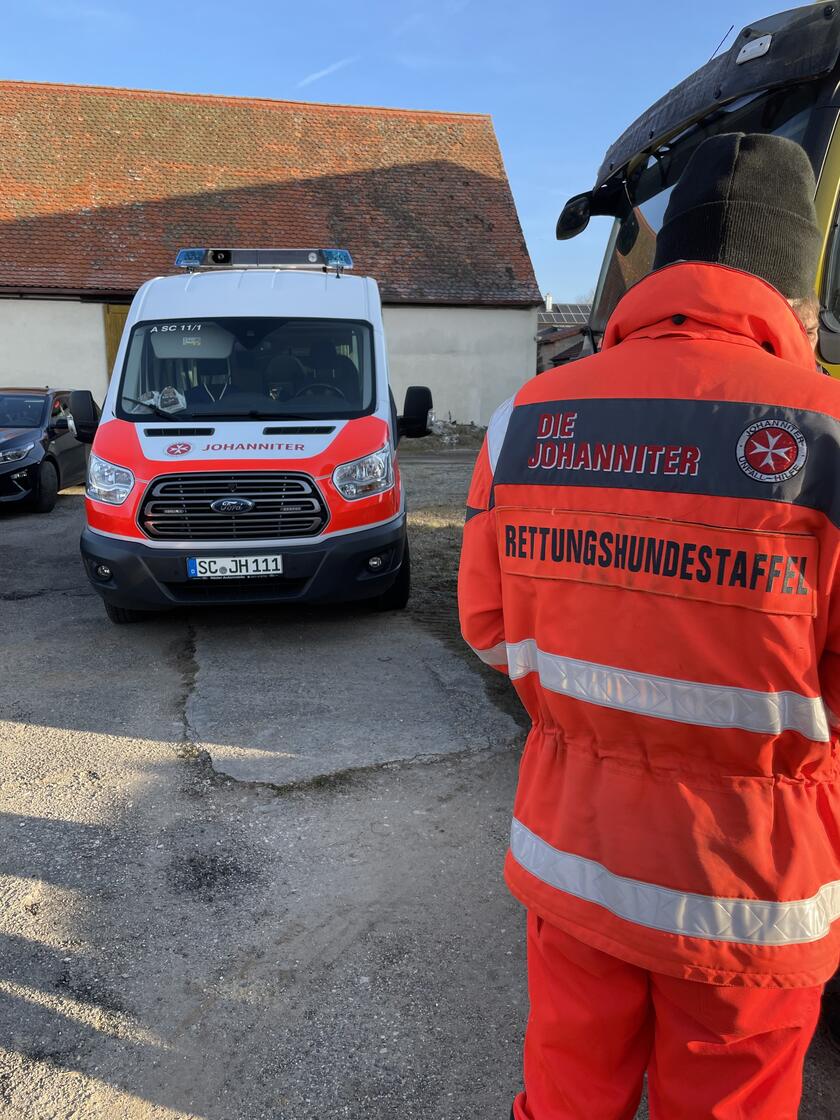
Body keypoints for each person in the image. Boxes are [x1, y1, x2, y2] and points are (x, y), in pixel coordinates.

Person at [458, 132, 840, 1119]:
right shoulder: (829, 435)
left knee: (568, 1094)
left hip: (574, 857)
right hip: (747, 892)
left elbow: (490, 628)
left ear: (663, 267)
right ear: (796, 290)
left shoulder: (526, 421)